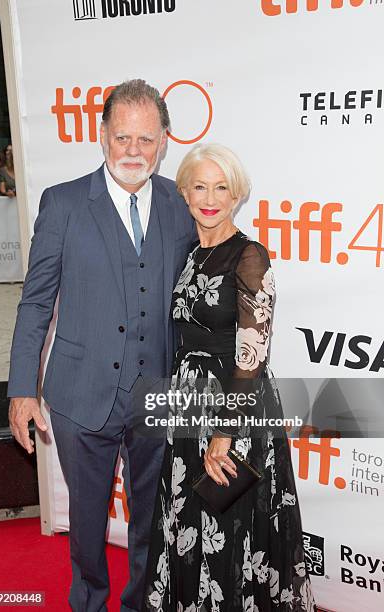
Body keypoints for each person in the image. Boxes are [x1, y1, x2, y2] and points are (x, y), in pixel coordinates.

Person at [7, 79, 196, 612]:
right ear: (102, 136)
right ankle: (88, 602)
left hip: (156, 398)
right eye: (122, 138)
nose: (133, 151)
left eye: (146, 139)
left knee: (152, 523)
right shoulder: (63, 203)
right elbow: (36, 303)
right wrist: (24, 388)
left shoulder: (181, 209)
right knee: (87, 524)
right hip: (80, 395)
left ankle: (140, 603)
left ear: (164, 141)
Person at [142, 144, 316, 611]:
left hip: (233, 410)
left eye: (221, 187)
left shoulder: (249, 256)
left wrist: (226, 431)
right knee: (190, 522)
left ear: (236, 194)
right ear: (183, 191)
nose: (210, 197)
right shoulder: (190, 253)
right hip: (186, 410)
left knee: (227, 527)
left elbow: (252, 352)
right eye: (199, 186)